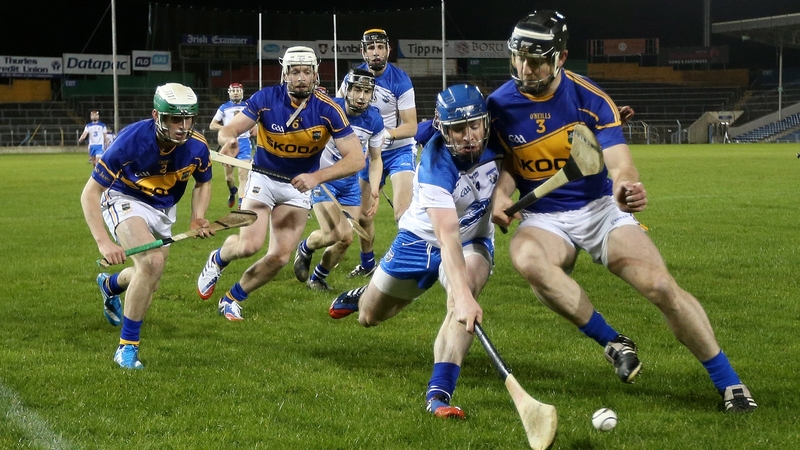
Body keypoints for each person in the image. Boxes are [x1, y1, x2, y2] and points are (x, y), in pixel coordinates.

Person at [488, 10, 756, 412]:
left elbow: (620, 164)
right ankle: (612, 340)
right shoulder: (499, 106)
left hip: (599, 209)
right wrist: (500, 197)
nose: (525, 69)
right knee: (526, 258)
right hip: (544, 218)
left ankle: (728, 381)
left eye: (536, 59)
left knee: (661, 287)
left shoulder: (590, 98)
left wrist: (625, 189)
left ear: (560, 57)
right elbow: (508, 165)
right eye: (519, 58)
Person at [329, 84, 500, 419]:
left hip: (473, 240)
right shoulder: (435, 164)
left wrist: (462, 294)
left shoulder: (502, 139)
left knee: (461, 301)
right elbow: (446, 234)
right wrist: (463, 294)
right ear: (443, 129)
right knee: (371, 316)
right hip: (421, 238)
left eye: (473, 126)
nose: (467, 136)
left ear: (485, 122)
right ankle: (366, 292)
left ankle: (439, 394)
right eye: (457, 130)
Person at [196, 46, 365, 321]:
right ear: (285, 73)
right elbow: (229, 128)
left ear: (315, 74)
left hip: (298, 187)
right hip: (263, 177)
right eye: (295, 71)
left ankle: (232, 299)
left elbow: (356, 158)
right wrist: (228, 140)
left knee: (279, 258)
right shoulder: (265, 99)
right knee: (249, 246)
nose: (301, 77)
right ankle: (219, 258)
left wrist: (316, 177)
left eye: (306, 72)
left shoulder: (329, 110)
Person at [80, 83, 214, 370]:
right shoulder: (130, 141)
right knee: (151, 263)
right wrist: (104, 242)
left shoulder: (198, 146)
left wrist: (198, 216)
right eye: (175, 119)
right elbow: (89, 193)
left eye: (189, 119)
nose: (183, 127)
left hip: (163, 208)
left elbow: (203, 182)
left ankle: (111, 284)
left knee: (150, 276)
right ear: (157, 115)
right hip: (124, 197)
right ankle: (126, 348)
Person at [293, 69, 385, 290]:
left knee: (345, 239)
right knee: (334, 234)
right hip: (324, 180)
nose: (362, 97)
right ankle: (305, 248)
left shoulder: (374, 120)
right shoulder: (328, 109)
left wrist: (373, 189)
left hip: (350, 184)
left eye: (367, 91)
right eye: (357, 90)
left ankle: (318, 278)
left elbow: (375, 159)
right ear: (347, 89)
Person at [338, 29, 418, 279]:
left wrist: (385, 136)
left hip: (399, 150)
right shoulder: (352, 78)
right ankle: (367, 264)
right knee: (363, 217)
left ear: (388, 50)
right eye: (371, 48)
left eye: (380, 47)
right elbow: (339, 113)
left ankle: (408, 266)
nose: (376, 52)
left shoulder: (400, 80)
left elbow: (411, 126)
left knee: (402, 212)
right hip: (366, 153)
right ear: (363, 52)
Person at [209, 83, 257, 208]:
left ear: (242, 92)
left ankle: (242, 204)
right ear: (229, 93)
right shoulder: (224, 107)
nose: (235, 92)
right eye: (233, 90)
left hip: (244, 143)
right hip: (229, 144)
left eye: (238, 90)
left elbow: (255, 123)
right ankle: (232, 191)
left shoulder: (248, 106)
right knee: (228, 177)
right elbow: (212, 125)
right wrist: (228, 129)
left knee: (243, 175)